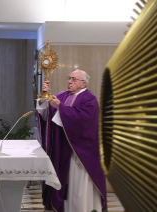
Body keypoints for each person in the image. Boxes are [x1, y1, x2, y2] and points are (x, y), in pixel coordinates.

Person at [36, 69, 107, 212]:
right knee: (65, 183)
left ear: (83, 83)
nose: (69, 81)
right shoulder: (62, 95)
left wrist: (59, 106)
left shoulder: (90, 99)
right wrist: (45, 98)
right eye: (70, 78)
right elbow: (48, 117)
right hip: (62, 148)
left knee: (78, 186)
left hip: (80, 152)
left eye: (74, 79)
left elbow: (82, 121)